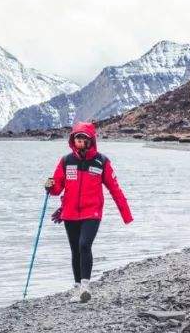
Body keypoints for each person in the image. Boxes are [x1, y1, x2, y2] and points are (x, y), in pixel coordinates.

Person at [44, 122, 133, 303]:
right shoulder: (66, 161)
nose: (80, 140)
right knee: (75, 250)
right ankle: (77, 288)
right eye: (77, 137)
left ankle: (86, 287)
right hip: (69, 214)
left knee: (84, 245)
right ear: (73, 140)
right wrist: (50, 186)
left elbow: (115, 189)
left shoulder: (102, 161)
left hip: (92, 212)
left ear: (91, 140)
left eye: (84, 137)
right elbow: (57, 189)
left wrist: (126, 215)